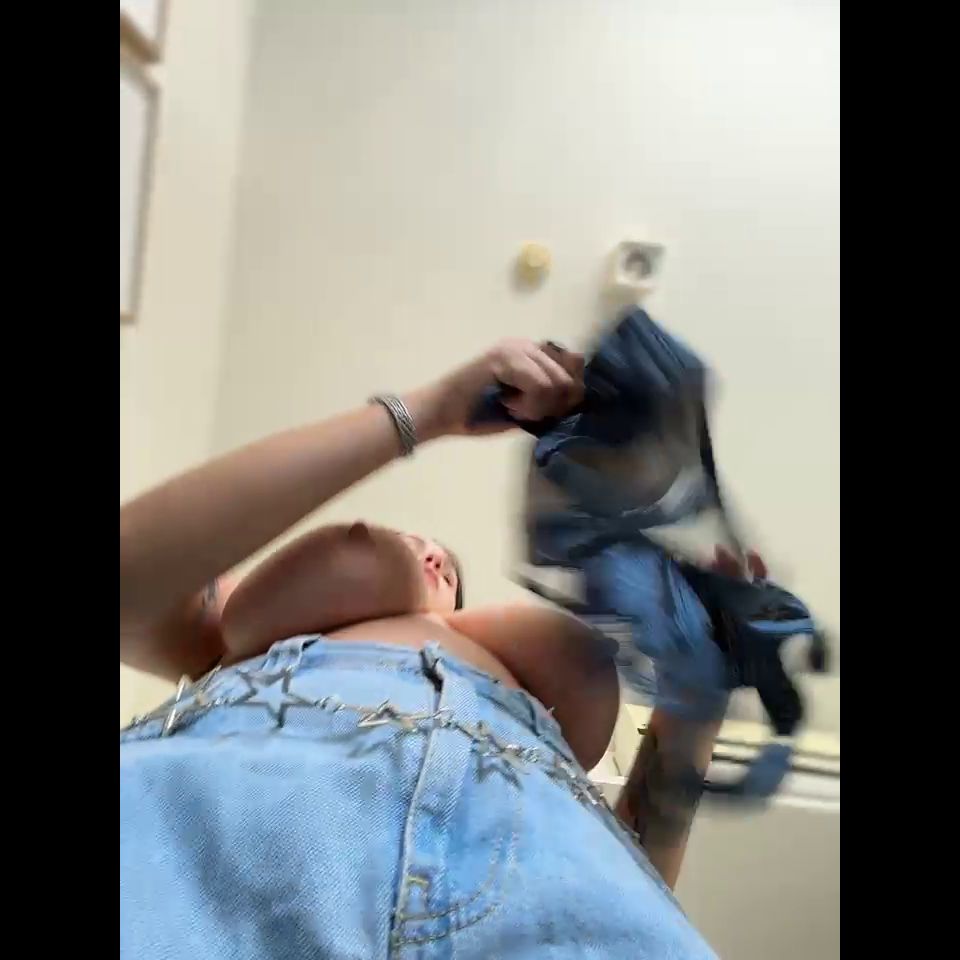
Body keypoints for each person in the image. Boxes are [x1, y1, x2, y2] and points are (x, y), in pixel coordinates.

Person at [120, 339, 724, 958]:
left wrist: (696, 703)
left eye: (449, 572)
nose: (435, 556)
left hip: (535, 858)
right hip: (227, 810)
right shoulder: (241, 634)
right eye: (412, 545)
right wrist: (428, 411)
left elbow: (634, 879)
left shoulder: (513, 672)